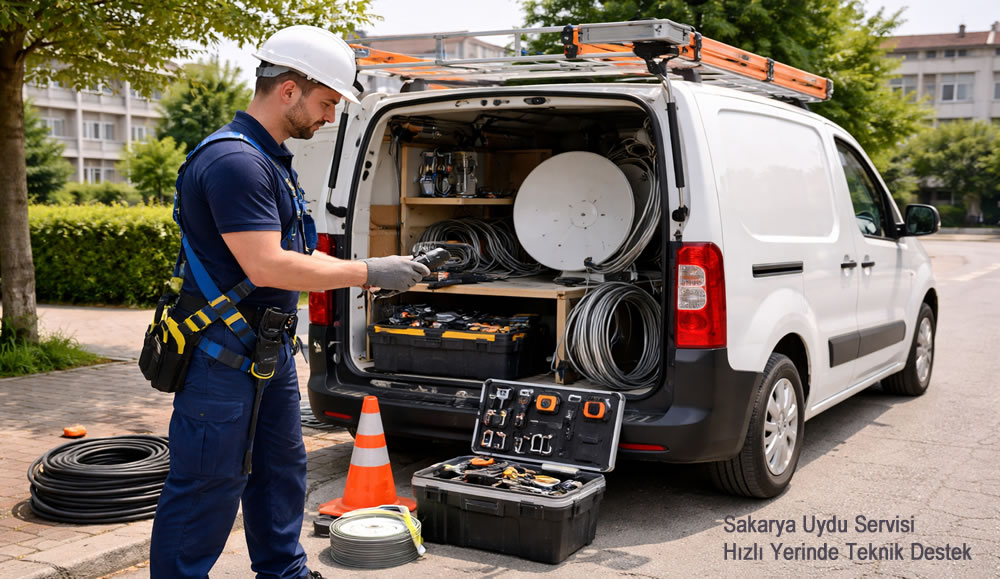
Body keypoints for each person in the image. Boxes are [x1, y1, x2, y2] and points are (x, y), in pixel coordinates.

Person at [148, 25, 430, 578]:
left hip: (263, 350)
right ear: (289, 90)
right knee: (209, 482)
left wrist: (367, 274)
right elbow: (266, 264)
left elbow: (297, 256)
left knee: (281, 469)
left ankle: (285, 572)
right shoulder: (235, 162)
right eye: (326, 102)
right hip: (218, 354)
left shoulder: (269, 159)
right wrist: (370, 270)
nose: (329, 117)